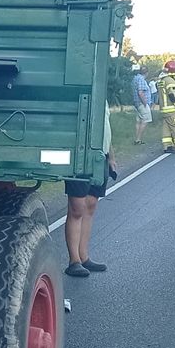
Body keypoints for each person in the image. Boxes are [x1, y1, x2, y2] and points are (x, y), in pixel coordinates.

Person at [64, 102, 115, 277]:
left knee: (91, 204)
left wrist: (111, 156)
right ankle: (74, 261)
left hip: (100, 157)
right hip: (81, 154)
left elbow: (106, 128)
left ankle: (84, 257)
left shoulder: (103, 96)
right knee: (77, 208)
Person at [157, 60, 175, 152]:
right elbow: (172, 95)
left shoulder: (161, 80)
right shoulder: (170, 81)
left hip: (164, 110)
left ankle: (167, 146)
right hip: (172, 109)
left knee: (166, 128)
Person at [130, 63, 153, 145]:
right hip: (142, 103)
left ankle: (137, 139)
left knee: (138, 121)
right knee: (145, 120)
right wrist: (145, 103)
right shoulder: (141, 80)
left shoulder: (135, 79)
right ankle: (138, 139)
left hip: (136, 103)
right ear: (147, 73)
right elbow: (140, 92)